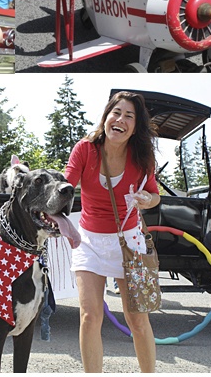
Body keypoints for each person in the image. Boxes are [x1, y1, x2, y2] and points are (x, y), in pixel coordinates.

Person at [64, 91, 161, 373]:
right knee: (89, 317)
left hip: (129, 242)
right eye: (115, 113)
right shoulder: (85, 149)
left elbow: (155, 195)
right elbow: (66, 184)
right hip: (89, 241)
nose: (120, 120)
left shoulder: (142, 158)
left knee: (138, 321)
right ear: (106, 118)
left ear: (136, 126)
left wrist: (147, 199)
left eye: (129, 116)